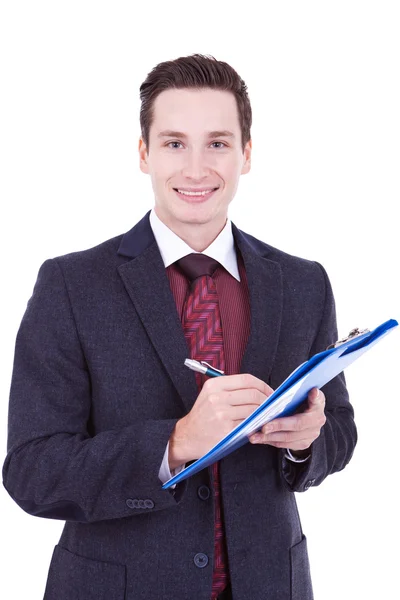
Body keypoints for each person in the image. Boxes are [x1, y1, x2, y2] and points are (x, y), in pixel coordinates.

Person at [2, 53, 357, 600]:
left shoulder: (304, 283)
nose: (195, 169)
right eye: (174, 143)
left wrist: (305, 443)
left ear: (247, 154)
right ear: (144, 154)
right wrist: (176, 442)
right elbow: (33, 472)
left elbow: (340, 430)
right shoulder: (71, 286)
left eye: (217, 143)